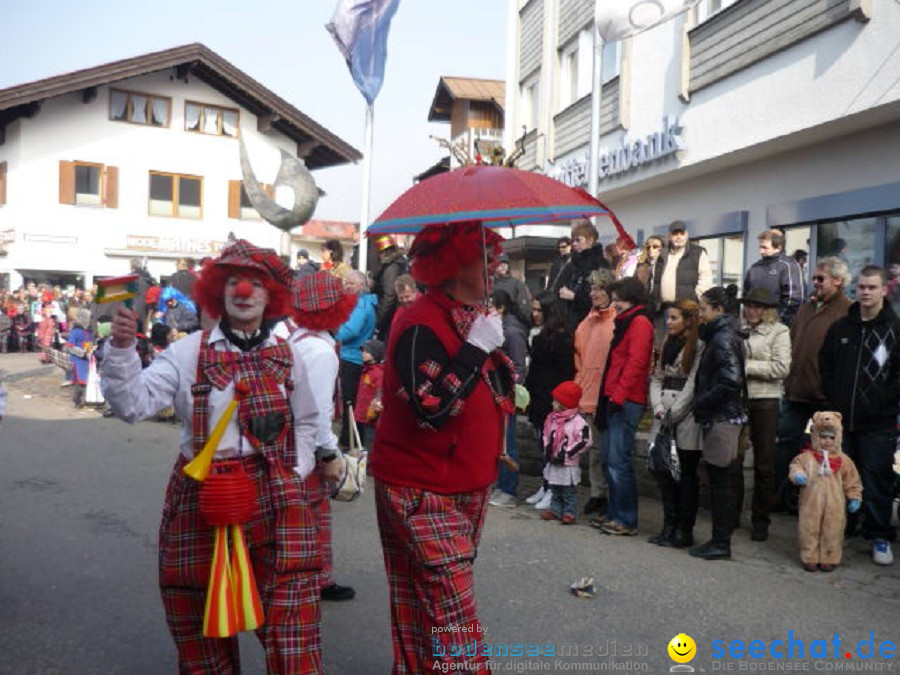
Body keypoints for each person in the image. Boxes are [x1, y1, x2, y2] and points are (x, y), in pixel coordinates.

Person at [100, 239, 324, 672]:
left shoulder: (288, 354)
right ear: (218, 292)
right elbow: (132, 406)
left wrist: (297, 469)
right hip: (202, 496)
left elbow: (310, 421)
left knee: (292, 620)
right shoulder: (187, 352)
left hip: (274, 494)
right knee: (199, 619)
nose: (244, 292)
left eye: (255, 283)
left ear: (270, 295)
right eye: (234, 282)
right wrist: (123, 350)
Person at [369, 220, 513, 672]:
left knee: (424, 600)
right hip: (421, 485)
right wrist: (475, 351)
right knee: (453, 609)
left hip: (466, 482)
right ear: (452, 266)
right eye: (483, 256)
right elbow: (428, 409)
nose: (494, 266)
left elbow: (488, 392)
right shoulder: (418, 321)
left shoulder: (472, 315)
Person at [281, 270, 359, 604]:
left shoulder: (295, 339)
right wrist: (330, 455)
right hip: (306, 447)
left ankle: (314, 578)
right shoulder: (321, 352)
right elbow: (317, 412)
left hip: (290, 442)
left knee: (306, 515)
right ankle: (310, 581)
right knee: (310, 516)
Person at [819, 265, 900, 566]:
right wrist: (832, 398)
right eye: (862, 287)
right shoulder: (841, 328)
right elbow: (824, 364)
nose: (865, 292)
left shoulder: (895, 329)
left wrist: (883, 400)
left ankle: (879, 535)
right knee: (838, 479)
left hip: (878, 423)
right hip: (842, 423)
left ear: (883, 290)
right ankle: (842, 529)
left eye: (872, 287)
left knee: (876, 479)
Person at [776, 257, 852, 507]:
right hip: (796, 390)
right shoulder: (806, 307)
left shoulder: (847, 311)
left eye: (821, 278)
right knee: (786, 442)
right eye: (814, 278)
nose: (815, 283)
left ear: (838, 281)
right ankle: (782, 496)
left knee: (826, 449)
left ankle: (824, 501)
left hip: (824, 395)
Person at [595, 276, 654, 536]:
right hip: (615, 396)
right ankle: (614, 512)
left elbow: (636, 363)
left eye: (618, 299)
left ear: (631, 298)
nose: (614, 303)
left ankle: (626, 518)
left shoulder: (639, 323)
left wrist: (618, 396)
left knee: (618, 461)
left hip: (626, 399)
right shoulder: (626, 322)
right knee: (609, 459)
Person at [691, 285, 746, 560]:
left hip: (722, 416)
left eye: (703, 309)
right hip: (721, 414)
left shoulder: (723, 337)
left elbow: (731, 380)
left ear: (718, 309)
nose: (700, 315)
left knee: (721, 482)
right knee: (719, 481)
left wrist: (701, 402)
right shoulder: (721, 334)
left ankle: (721, 542)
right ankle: (719, 539)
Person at [647, 300, 704, 548]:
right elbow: (657, 378)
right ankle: (668, 525)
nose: (668, 323)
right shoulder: (666, 343)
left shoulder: (699, 347)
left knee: (686, 475)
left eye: (673, 318)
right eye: (667, 318)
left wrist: (674, 412)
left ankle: (684, 529)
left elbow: (693, 383)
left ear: (688, 320)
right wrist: (658, 408)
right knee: (664, 473)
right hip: (664, 413)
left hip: (685, 416)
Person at [739, 287, 791, 541]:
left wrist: (745, 366)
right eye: (748, 305)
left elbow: (782, 367)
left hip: (765, 400)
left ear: (768, 310)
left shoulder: (779, 331)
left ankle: (761, 520)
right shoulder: (739, 329)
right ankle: (732, 513)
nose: (751, 310)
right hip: (739, 399)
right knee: (733, 460)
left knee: (764, 464)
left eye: (757, 306)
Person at [789, 411, 862, 572]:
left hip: (835, 505)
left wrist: (854, 497)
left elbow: (852, 481)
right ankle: (809, 556)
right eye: (823, 437)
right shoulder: (807, 457)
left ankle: (829, 556)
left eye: (831, 437)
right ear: (815, 436)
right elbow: (795, 467)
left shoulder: (844, 461)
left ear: (838, 438)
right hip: (810, 503)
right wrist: (798, 475)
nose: (827, 441)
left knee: (833, 530)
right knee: (809, 529)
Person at [523, 291, 575, 510]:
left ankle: (553, 490)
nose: (534, 314)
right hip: (537, 396)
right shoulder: (537, 334)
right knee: (542, 446)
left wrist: (559, 401)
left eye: (539, 310)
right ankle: (546, 486)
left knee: (552, 448)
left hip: (551, 399)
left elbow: (566, 371)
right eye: (533, 309)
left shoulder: (561, 337)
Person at [573, 269, 616, 520]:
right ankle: (597, 494)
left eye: (599, 288)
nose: (593, 293)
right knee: (594, 451)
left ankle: (609, 496)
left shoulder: (616, 321)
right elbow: (578, 362)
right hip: (587, 395)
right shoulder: (585, 323)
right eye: (592, 289)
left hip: (608, 395)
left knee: (608, 451)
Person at [488, 288, 529, 507]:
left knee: (508, 443)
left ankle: (509, 489)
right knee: (498, 442)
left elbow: (519, 367)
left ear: (502, 308)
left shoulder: (512, 332)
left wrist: (510, 390)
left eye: (492, 306)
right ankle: (500, 485)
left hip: (506, 394)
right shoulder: (496, 329)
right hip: (495, 391)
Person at [539, 381, 591, 524]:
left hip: (568, 463)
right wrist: (547, 448)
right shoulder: (552, 419)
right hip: (554, 460)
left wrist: (567, 452)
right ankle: (555, 510)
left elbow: (584, 441)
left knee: (568, 490)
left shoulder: (578, 422)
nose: (552, 403)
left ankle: (569, 512)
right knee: (554, 487)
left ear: (564, 403)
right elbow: (546, 434)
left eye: (555, 401)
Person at [335, 270, 377, 449]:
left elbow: (350, 331)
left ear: (361, 286)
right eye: (346, 282)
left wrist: (331, 334)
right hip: (352, 356)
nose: (347, 285)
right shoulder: (359, 303)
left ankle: (348, 442)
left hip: (352, 358)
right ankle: (348, 440)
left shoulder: (360, 305)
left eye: (351, 283)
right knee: (350, 402)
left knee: (349, 402)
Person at [743, 229, 805, 326]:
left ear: (778, 248)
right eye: (760, 247)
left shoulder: (788, 266)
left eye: (765, 248)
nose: (761, 251)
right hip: (753, 324)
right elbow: (746, 296)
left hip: (777, 325)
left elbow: (794, 300)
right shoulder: (754, 267)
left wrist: (776, 321)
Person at [557, 219, 611, 331]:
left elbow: (602, 296)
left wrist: (574, 296)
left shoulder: (599, 264)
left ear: (590, 240)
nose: (574, 244)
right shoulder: (573, 263)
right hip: (571, 321)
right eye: (573, 240)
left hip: (592, 321)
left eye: (578, 240)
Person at [652, 221, 713, 307]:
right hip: (663, 310)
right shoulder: (661, 254)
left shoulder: (698, 253)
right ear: (669, 236)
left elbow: (706, 279)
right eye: (675, 234)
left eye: (682, 233)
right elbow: (655, 281)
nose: (678, 237)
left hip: (687, 310)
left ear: (687, 235)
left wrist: (694, 300)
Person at [372, 234, 409, 340]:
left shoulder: (391, 268)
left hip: (390, 317)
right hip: (395, 314)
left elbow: (389, 296)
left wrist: (378, 321)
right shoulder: (399, 263)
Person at [354, 338, 385, 451]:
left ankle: (368, 466)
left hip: (371, 417)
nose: (363, 353)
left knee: (369, 444)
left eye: (366, 351)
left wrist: (374, 411)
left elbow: (379, 393)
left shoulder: (377, 373)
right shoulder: (366, 370)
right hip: (362, 414)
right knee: (362, 442)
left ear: (375, 354)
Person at [493, 252, 531, 329]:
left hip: (511, 324)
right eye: (500, 263)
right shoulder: (488, 284)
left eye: (505, 263)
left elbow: (524, 309)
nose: (503, 265)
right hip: (493, 323)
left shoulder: (516, 284)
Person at [66, 308, 94, 409]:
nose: (91, 320)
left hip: (86, 360)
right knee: (80, 381)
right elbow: (70, 346)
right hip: (77, 360)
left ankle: (85, 398)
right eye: (89, 318)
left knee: (86, 380)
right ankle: (77, 400)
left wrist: (90, 351)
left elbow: (88, 344)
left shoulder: (89, 332)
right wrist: (82, 353)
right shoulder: (76, 332)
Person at [638, 236, 665, 309]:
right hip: (646, 305)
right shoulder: (641, 266)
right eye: (648, 247)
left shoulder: (666, 265)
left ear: (662, 248)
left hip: (662, 305)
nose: (651, 249)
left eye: (655, 246)